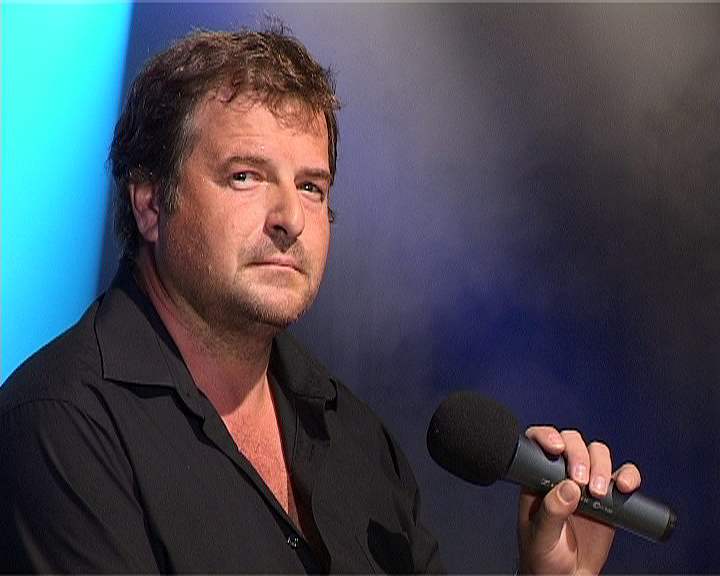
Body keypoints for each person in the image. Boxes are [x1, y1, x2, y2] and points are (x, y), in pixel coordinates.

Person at [0, 28, 641, 573]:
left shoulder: (356, 438)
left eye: (311, 186)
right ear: (149, 204)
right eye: (245, 176)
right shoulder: (60, 422)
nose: (290, 218)